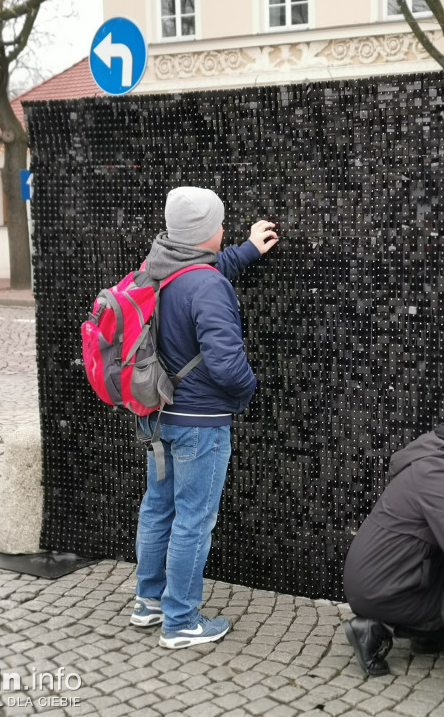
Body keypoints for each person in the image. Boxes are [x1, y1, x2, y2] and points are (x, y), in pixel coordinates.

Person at [129, 186, 278, 649]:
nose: (222, 230)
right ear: (203, 232)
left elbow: (204, 274)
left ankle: (148, 603)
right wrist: (249, 393)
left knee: (158, 508)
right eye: (218, 224)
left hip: (159, 415)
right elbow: (227, 364)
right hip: (201, 423)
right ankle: (181, 621)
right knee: (194, 519)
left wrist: (248, 250)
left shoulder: (157, 269)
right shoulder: (208, 285)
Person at [342, 393, 444, 676]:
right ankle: (375, 628)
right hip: (379, 586)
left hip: (392, 575)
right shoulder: (437, 472)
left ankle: (423, 635)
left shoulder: (442, 459)